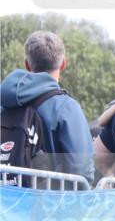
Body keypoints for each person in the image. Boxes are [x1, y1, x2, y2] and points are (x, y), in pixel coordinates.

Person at [0, 31, 94, 182]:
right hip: (47, 196)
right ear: (63, 63)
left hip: (5, 194)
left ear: (27, 64)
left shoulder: (4, 105)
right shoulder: (67, 107)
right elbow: (81, 170)